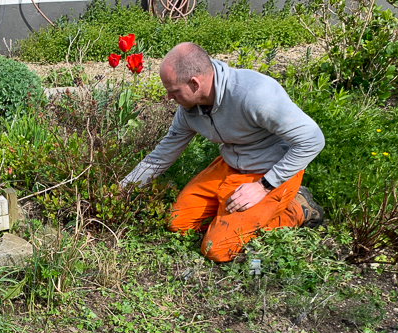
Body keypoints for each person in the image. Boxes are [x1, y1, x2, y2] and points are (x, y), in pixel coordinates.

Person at [121, 42, 325, 262]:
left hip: (269, 171)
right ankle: (232, 217)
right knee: (177, 223)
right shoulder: (190, 108)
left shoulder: (254, 94)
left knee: (216, 249)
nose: (169, 98)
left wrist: (263, 187)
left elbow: (313, 140)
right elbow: (164, 153)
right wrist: (123, 190)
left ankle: (297, 208)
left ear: (194, 83)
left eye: (174, 91)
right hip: (231, 165)